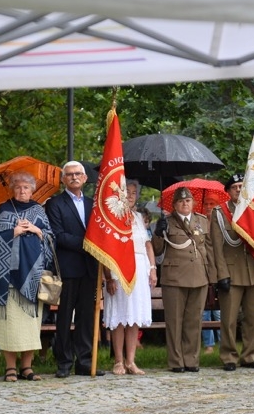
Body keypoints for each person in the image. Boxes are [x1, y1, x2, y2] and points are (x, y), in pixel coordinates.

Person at [0, 171, 53, 382]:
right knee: (9, 324)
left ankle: (27, 367)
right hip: (8, 277)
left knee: (31, 324)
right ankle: (10, 367)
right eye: (18, 187)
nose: (22, 191)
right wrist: (13, 232)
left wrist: (36, 230)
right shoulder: (4, 209)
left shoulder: (38, 211)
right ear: (12, 190)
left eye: (26, 187)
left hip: (33, 277)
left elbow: (51, 239)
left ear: (32, 190)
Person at [45, 161, 104, 378]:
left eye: (78, 174)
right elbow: (58, 235)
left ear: (85, 178)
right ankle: (63, 362)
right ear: (63, 179)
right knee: (64, 318)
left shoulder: (94, 204)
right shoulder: (55, 204)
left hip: (90, 269)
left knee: (86, 318)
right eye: (69, 175)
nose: (74, 177)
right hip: (68, 268)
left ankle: (86, 361)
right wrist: (88, 244)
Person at [210, 173, 254, 370]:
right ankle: (229, 356)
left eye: (241, 186)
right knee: (228, 319)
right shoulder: (220, 213)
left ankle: (249, 355)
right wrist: (221, 275)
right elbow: (216, 247)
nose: (238, 190)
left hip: (253, 271)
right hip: (231, 273)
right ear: (228, 192)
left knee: (253, 318)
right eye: (234, 187)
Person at [151, 186, 216, 373]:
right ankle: (176, 361)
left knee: (194, 320)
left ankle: (192, 360)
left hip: (199, 277)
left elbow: (209, 249)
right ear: (174, 205)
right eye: (180, 201)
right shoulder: (166, 222)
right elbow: (157, 250)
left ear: (193, 203)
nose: (185, 204)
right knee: (175, 321)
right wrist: (158, 233)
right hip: (174, 278)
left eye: (187, 201)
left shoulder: (202, 221)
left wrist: (212, 277)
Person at [102, 180, 156, 375]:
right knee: (119, 316)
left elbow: (148, 244)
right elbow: (106, 249)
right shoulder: (112, 217)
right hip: (119, 268)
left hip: (140, 268)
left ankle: (130, 361)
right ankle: (118, 360)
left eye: (134, 192)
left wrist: (152, 268)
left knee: (133, 317)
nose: (131, 195)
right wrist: (109, 276)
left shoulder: (140, 218)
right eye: (128, 192)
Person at [200, 188, 222, 355]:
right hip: (202, 271)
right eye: (206, 204)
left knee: (219, 310)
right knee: (205, 311)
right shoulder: (199, 222)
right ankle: (208, 344)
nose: (208, 207)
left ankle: (223, 342)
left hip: (219, 271)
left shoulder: (222, 222)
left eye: (212, 204)